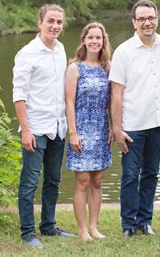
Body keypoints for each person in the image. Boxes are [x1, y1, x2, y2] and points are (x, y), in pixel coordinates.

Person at [109, 0, 160, 237]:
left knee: (151, 174)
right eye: (142, 19)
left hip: (159, 124)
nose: (147, 22)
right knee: (129, 175)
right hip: (132, 126)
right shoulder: (124, 51)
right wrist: (117, 128)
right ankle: (128, 224)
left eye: (151, 18)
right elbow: (116, 94)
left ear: (157, 19)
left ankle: (145, 221)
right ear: (134, 22)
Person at [13, 4, 74, 248]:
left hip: (58, 126)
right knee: (29, 181)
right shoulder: (27, 53)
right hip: (35, 128)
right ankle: (28, 232)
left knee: (53, 180)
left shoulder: (60, 49)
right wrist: (25, 129)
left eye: (59, 22)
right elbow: (19, 95)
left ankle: (48, 226)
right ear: (40, 22)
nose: (55, 26)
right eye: (50, 21)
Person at [65, 22, 113, 241]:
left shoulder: (107, 67)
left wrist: (113, 127)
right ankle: (82, 230)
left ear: (103, 42)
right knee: (83, 180)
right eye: (91, 37)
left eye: (99, 38)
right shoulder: (75, 68)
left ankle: (94, 227)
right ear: (84, 40)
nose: (95, 41)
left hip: (102, 128)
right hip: (81, 128)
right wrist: (73, 132)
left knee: (98, 180)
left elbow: (112, 101)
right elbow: (69, 102)